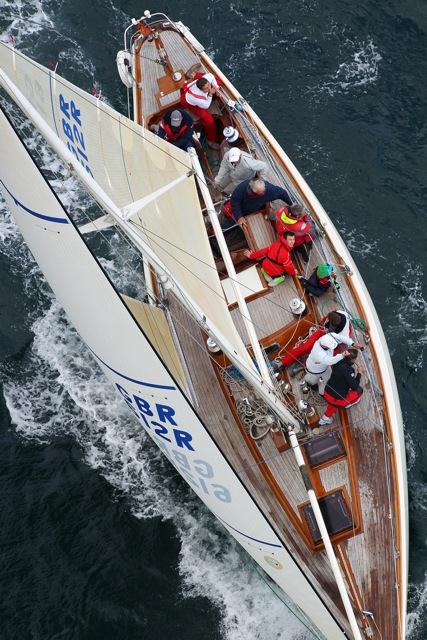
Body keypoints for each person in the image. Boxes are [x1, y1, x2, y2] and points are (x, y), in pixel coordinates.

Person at [319, 348, 364, 425]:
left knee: (333, 404)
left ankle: (324, 419)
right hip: (337, 399)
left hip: (326, 393)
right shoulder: (349, 370)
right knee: (359, 390)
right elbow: (354, 386)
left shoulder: (337, 362)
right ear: (353, 360)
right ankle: (348, 404)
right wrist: (359, 373)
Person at [226, 178, 293, 229]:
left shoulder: (268, 189)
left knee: (234, 222)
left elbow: (282, 193)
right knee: (229, 217)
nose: (264, 193)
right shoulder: (243, 187)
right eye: (261, 192)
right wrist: (239, 217)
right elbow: (234, 200)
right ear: (254, 191)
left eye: (264, 189)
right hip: (240, 207)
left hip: (251, 209)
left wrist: (291, 204)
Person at [180, 72, 220, 144]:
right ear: (201, 90)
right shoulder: (197, 98)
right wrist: (210, 94)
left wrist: (216, 87)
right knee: (209, 120)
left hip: (188, 90)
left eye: (209, 85)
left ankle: (194, 74)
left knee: (218, 80)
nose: (209, 88)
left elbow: (211, 75)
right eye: (206, 88)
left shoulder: (206, 80)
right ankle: (211, 139)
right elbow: (206, 106)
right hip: (188, 102)